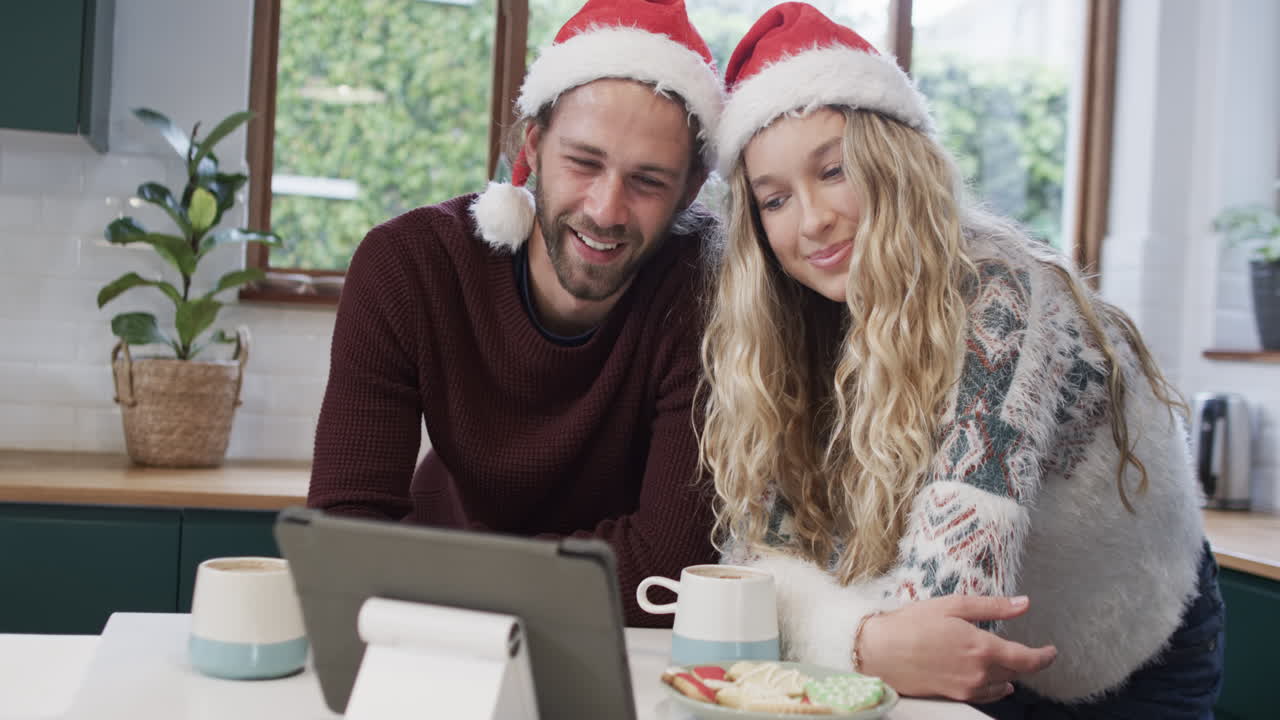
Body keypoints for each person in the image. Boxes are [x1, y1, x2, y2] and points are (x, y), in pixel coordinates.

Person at [699, 3, 1224, 716]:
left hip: (1124, 662)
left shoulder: (1005, 301)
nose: (812, 219)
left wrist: (841, 635)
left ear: (896, 164)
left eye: (835, 170)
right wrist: (866, 642)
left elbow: (947, 618)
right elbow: (749, 579)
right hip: (956, 662)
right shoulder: (800, 326)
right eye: (775, 199)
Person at [308, 0, 725, 627]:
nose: (606, 210)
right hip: (435, 635)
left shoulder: (710, 290)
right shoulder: (408, 265)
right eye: (583, 162)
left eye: (647, 181)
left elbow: (667, 570)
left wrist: (432, 571)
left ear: (690, 191)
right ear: (532, 146)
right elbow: (344, 539)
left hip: (608, 641)